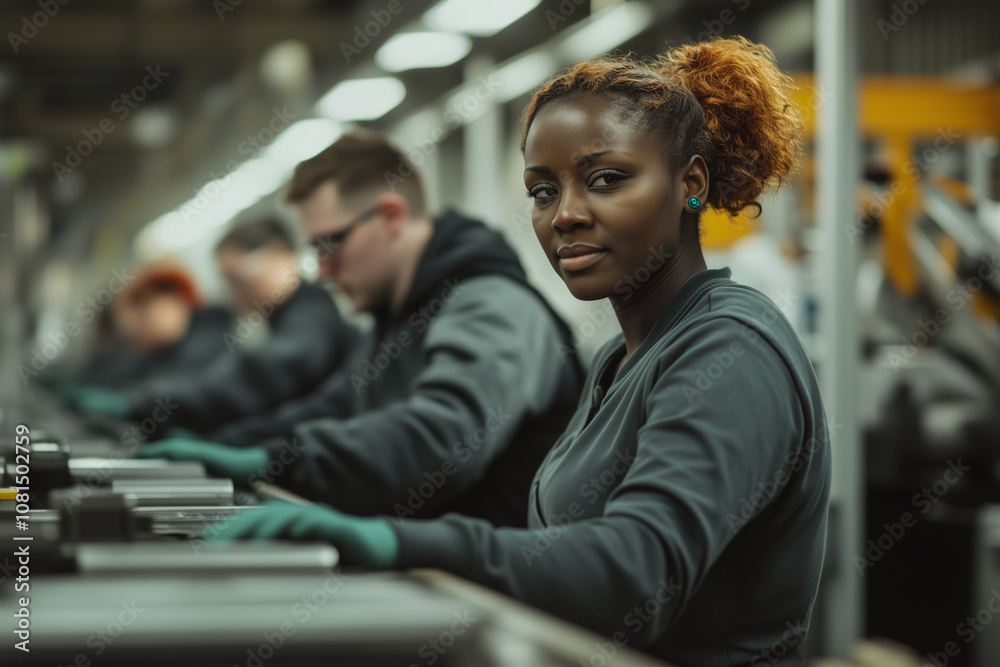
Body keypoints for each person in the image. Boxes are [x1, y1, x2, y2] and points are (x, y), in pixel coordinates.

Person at [203, 37, 832, 667]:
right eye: (542, 191)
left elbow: (638, 573)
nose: (565, 215)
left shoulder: (731, 346)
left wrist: (398, 542)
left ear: (689, 185)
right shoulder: (618, 360)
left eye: (606, 179)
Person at [139, 131, 585, 528]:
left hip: (493, 602)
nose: (323, 270)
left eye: (328, 245)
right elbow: (333, 407)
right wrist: (220, 449)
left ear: (390, 216)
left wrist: (276, 461)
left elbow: (437, 440)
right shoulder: (393, 320)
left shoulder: (492, 307)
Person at [67, 220, 358, 435]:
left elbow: (259, 377)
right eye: (226, 281)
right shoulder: (286, 319)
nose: (234, 293)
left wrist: (140, 403)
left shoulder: (312, 317)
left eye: (238, 276)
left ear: (278, 253)